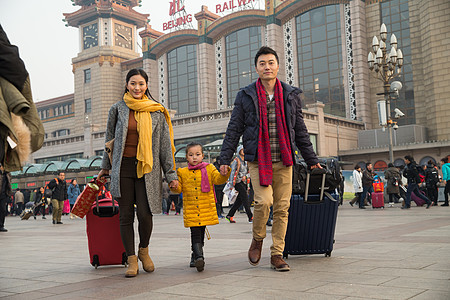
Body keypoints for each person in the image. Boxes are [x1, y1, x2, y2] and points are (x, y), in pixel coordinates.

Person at [219, 46, 321, 272]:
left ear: (277, 65)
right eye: (262, 63)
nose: (267, 66)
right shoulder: (246, 95)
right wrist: (224, 158)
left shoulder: (291, 95)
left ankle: (277, 254)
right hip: (258, 161)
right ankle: (257, 238)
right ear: (256, 68)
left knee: (283, 208)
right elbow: (234, 128)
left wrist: (311, 158)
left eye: (271, 62)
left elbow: (300, 129)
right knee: (264, 202)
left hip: (285, 160)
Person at [97, 68, 179, 278]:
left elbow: (164, 146)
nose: (137, 87)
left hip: (147, 169)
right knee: (125, 215)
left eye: (141, 84)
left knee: (145, 213)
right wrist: (105, 167)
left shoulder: (157, 112)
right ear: (126, 84)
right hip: (122, 167)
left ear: (146, 86)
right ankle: (131, 259)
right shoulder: (117, 109)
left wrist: (171, 175)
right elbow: (109, 140)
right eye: (133, 83)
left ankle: (144, 250)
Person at [171, 142, 230, 272]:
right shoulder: (182, 172)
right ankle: (199, 256)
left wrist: (225, 174)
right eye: (191, 155)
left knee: (201, 233)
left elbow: (218, 180)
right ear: (187, 157)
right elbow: (179, 188)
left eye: (197, 154)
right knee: (195, 233)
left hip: (205, 208)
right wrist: (174, 186)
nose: (194, 157)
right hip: (192, 208)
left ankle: (195, 256)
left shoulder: (210, 169)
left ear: (202, 155)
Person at [225, 145, 253, 223]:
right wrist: (231, 184)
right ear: (239, 151)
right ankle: (250, 216)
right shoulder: (236, 161)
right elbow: (232, 172)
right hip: (237, 182)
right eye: (242, 150)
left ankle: (229, 215)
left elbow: (249, 172)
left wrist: (245, 176)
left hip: (244, 182)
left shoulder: (247, 161)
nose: (243, 151)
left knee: (239, 200)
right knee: (245, 199)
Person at [0, 163, 12, 231]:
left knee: (3, 210)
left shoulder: (7, 174)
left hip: (4, 194)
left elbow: (9, 183)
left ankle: (1, 225)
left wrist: (9, 193)